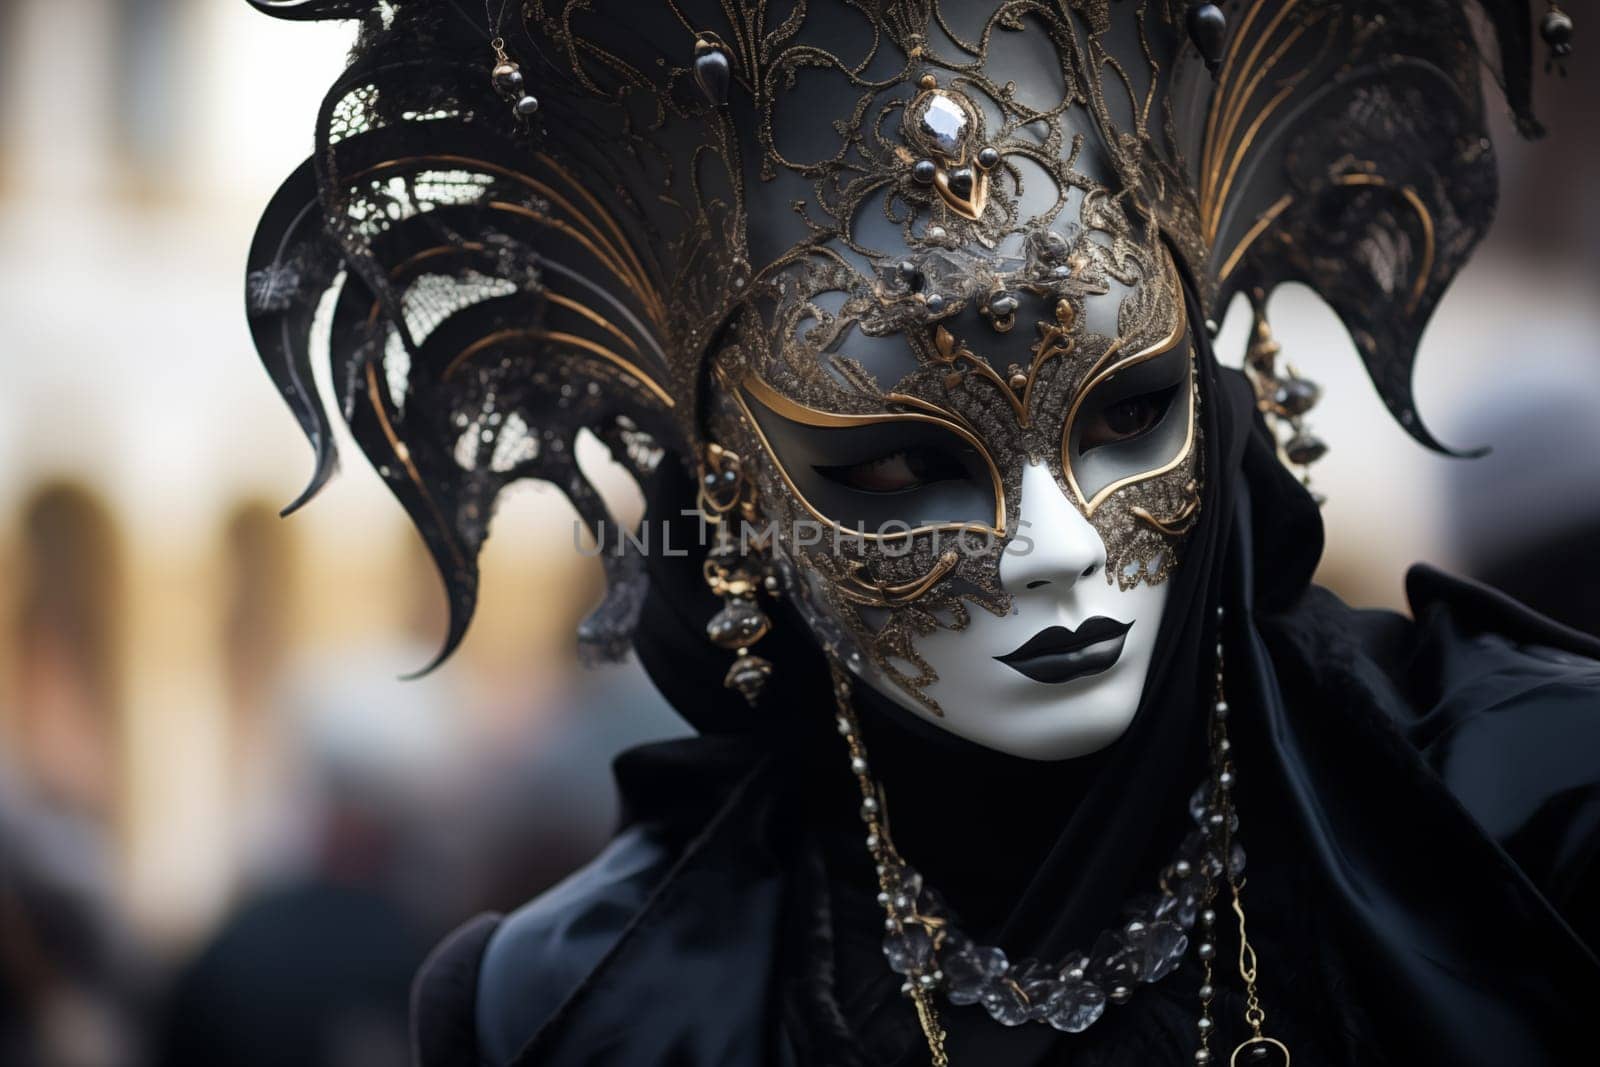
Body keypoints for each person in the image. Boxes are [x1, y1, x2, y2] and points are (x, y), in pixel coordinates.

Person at [240, 1, 1597, 1064]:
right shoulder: (577, 1011)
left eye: (1127, 413)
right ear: (738, 502)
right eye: (895, 465)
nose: (1055, 549)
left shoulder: (1538, 823)